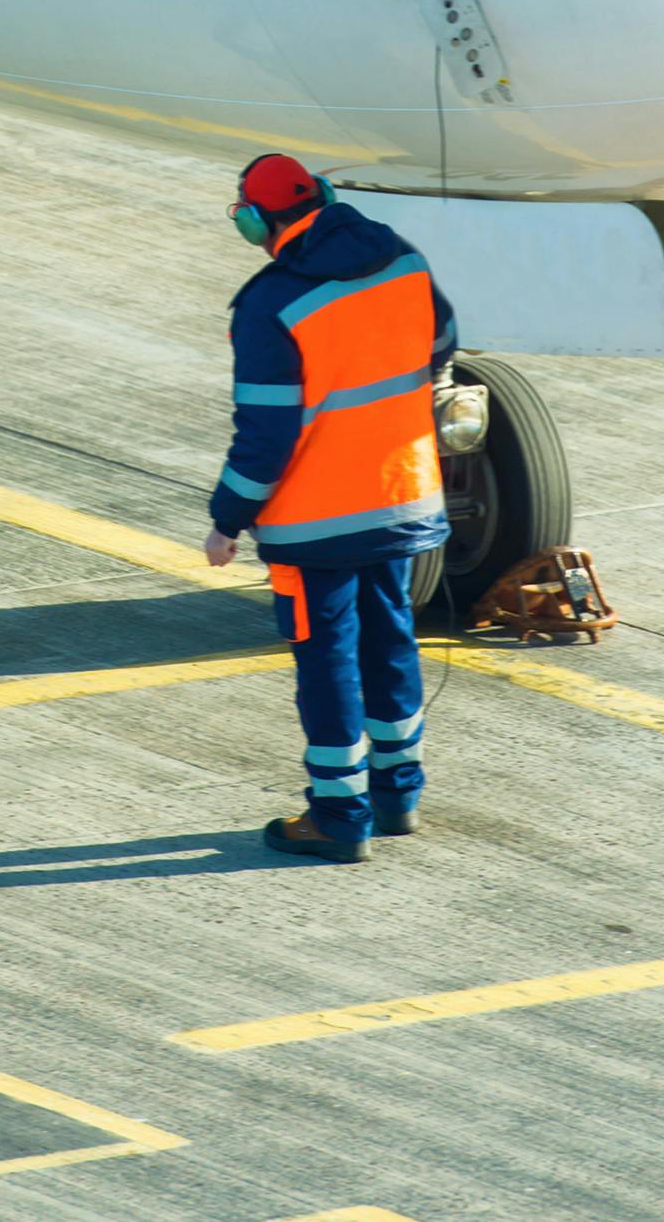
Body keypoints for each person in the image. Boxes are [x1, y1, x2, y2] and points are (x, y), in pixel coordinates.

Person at [203, 154, 459, 863]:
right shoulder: (402, 259)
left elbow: (266, 434)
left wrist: (227, 519)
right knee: (391, 639)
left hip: (316, 524)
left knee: (328, 663)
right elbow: (441, 344)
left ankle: (339, 814)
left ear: (255, 221)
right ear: (324, 196)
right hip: (400, 498)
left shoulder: (270, 303)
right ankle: (397, 792)